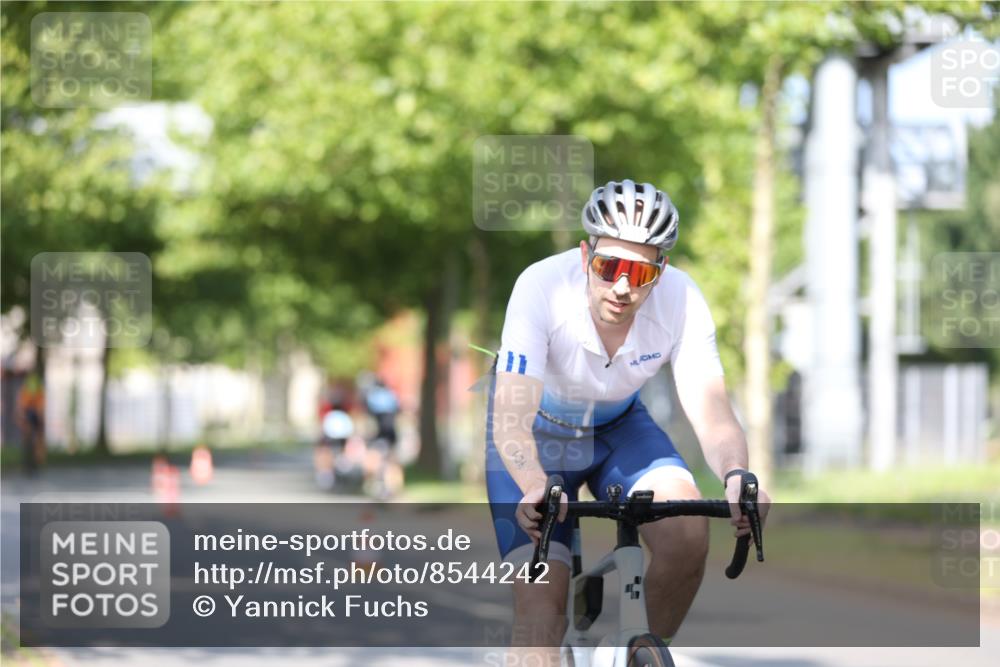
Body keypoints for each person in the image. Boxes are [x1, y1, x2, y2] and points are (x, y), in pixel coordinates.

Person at [486, 179, 771, 652]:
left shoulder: (682, 300)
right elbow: (510, 419)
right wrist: (533, 482)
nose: (621, 286)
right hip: (537, 439)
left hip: (620, 431)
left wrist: (737, 474)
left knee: (686, 534)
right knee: (541, 616)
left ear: (660, 272)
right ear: (584, 257)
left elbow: (713, 409)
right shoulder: (541, 286)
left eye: (639, 274)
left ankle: (636, 654)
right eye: (608, 266)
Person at [16, 372, 46, 474]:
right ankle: (33, 464)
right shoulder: (37, 387)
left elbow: (21, 404)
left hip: (29, 414)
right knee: (34, 441)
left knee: (29, 441)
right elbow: (40, 404)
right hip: (33, 414)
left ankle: (29, 464)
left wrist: (21, 416)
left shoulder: (27, 387)